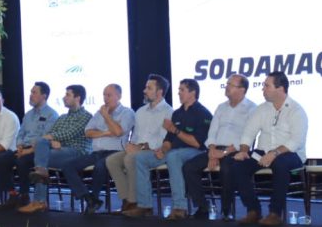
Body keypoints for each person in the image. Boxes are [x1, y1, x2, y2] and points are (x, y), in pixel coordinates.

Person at [126, 78, 212, 219]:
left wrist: (175, 130)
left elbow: (197, 143)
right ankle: (145, 205)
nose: (178, 93)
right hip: (173, 151)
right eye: (179, 90)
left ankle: (179, 207)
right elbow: (168, 139)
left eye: (182, 90)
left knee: (174, 156)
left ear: (193, 93)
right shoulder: (177, 113)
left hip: (195, 152)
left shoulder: (203, 113)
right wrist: (163, 149)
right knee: (140, 158)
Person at [230, 72, 308, 226]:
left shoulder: (296, 110)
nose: (263, 89)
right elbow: (248, 133)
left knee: (280, 164)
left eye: (267, 86)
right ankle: (253, 210)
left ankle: (275, 213)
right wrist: (244, 150)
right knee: (238, 165)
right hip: (263, 152)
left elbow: (296, 141)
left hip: (290, 154)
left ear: (280, 89)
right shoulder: (261, 109)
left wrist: (274, 153)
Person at [181, 74, 256, 220]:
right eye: (227, 84)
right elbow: (212, 132)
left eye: (230, 85)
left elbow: (248, 136)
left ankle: (226, 210)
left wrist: (225, 152)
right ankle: (203, 207)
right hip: (215, 149)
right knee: (189, 167)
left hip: (236, 151)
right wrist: (212, 151)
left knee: (227, 168)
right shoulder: (221, 107)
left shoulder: (252, 109)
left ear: (242, 90)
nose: (226, 87)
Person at [60, 84, 135, 215]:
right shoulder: (99, 113)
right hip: (96, 152)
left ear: (119, 96)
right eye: (104, 95)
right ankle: (88, 198)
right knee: (67, 166)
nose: (105, 98)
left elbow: (118, 132)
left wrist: (106, 117)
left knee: (100, 166)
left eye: (109, 95)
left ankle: (94, 197)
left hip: (115, 153)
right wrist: (106, 133)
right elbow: (88, 132)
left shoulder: (127, 112)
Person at [19, 85, 94, 213]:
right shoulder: (62, 117)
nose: (64, 98)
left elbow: (70, 133)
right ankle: (39, 199)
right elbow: (52, 132)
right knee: (42, 156)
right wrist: (51, 140)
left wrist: (51, 138)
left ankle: (39, 201)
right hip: (60, 152)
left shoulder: (86, 116)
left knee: (41, 157)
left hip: (77, 152)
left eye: (68, 95)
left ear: (77, 98)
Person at [105, 75, 173, 214]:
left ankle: (136, 202)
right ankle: (127, 200)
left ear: (159, 92)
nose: (144, 91)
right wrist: (131, 145)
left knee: (131, 158)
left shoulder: (168, 112)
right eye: (145, 87)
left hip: (158, 151)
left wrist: (141, 147)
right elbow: (136, 136)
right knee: (111, 160)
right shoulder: (141, 111)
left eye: (149, 88)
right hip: (139, 148)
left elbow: (163, 139)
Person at [0, 82, 58, 207]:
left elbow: (45, 139)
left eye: (34, 92)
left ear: (44, 96)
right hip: (22, 149)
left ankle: (24, 194)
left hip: (38, 151)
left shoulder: (52, 115)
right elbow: (20, 133)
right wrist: (20, 145)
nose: (30, 95)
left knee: (22, 162)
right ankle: (12, 193)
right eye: (31, 92)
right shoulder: (28, 114)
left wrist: (28, 150)